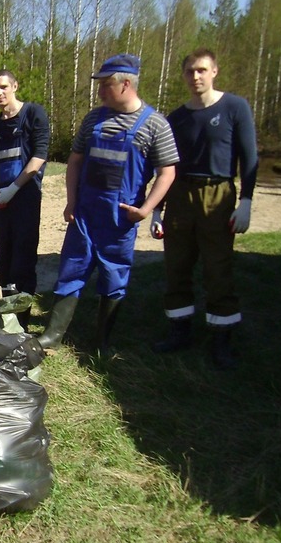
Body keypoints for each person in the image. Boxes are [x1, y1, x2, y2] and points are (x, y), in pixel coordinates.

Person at [37, 54, 178, 357]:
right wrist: (72, 201)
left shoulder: (154, 125)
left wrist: (147, 208)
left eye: (105, 84)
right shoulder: (93, 119)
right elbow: (74, 162)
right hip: (86, 213)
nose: (99, 91)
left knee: (114, 275)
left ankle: (102, 340)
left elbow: (168, 172)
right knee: (71, 269)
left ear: (126, 84)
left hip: (120, 219)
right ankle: (53, 334)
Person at [152, 48, 258, 370]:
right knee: (177, 265)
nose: (195, 77)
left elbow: (250, 156)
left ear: (215, 71)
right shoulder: (177, 117)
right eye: (189, 72)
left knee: (218, 268)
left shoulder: (234, 107)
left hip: (218, 194)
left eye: (201, 70)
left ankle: (222, 338)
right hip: (181, 196)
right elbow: (166, 166)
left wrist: (247, 202)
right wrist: (157, 210)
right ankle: (179, 330)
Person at [0, 69, 50, 319]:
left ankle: (22, 318)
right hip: (1, 201)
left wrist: (14, 189)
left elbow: (39, 157)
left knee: (23, 256)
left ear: (15, 86)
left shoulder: (34, 114)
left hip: (24, 197)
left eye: (3, 87)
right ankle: (8, 314)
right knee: (3, 257)